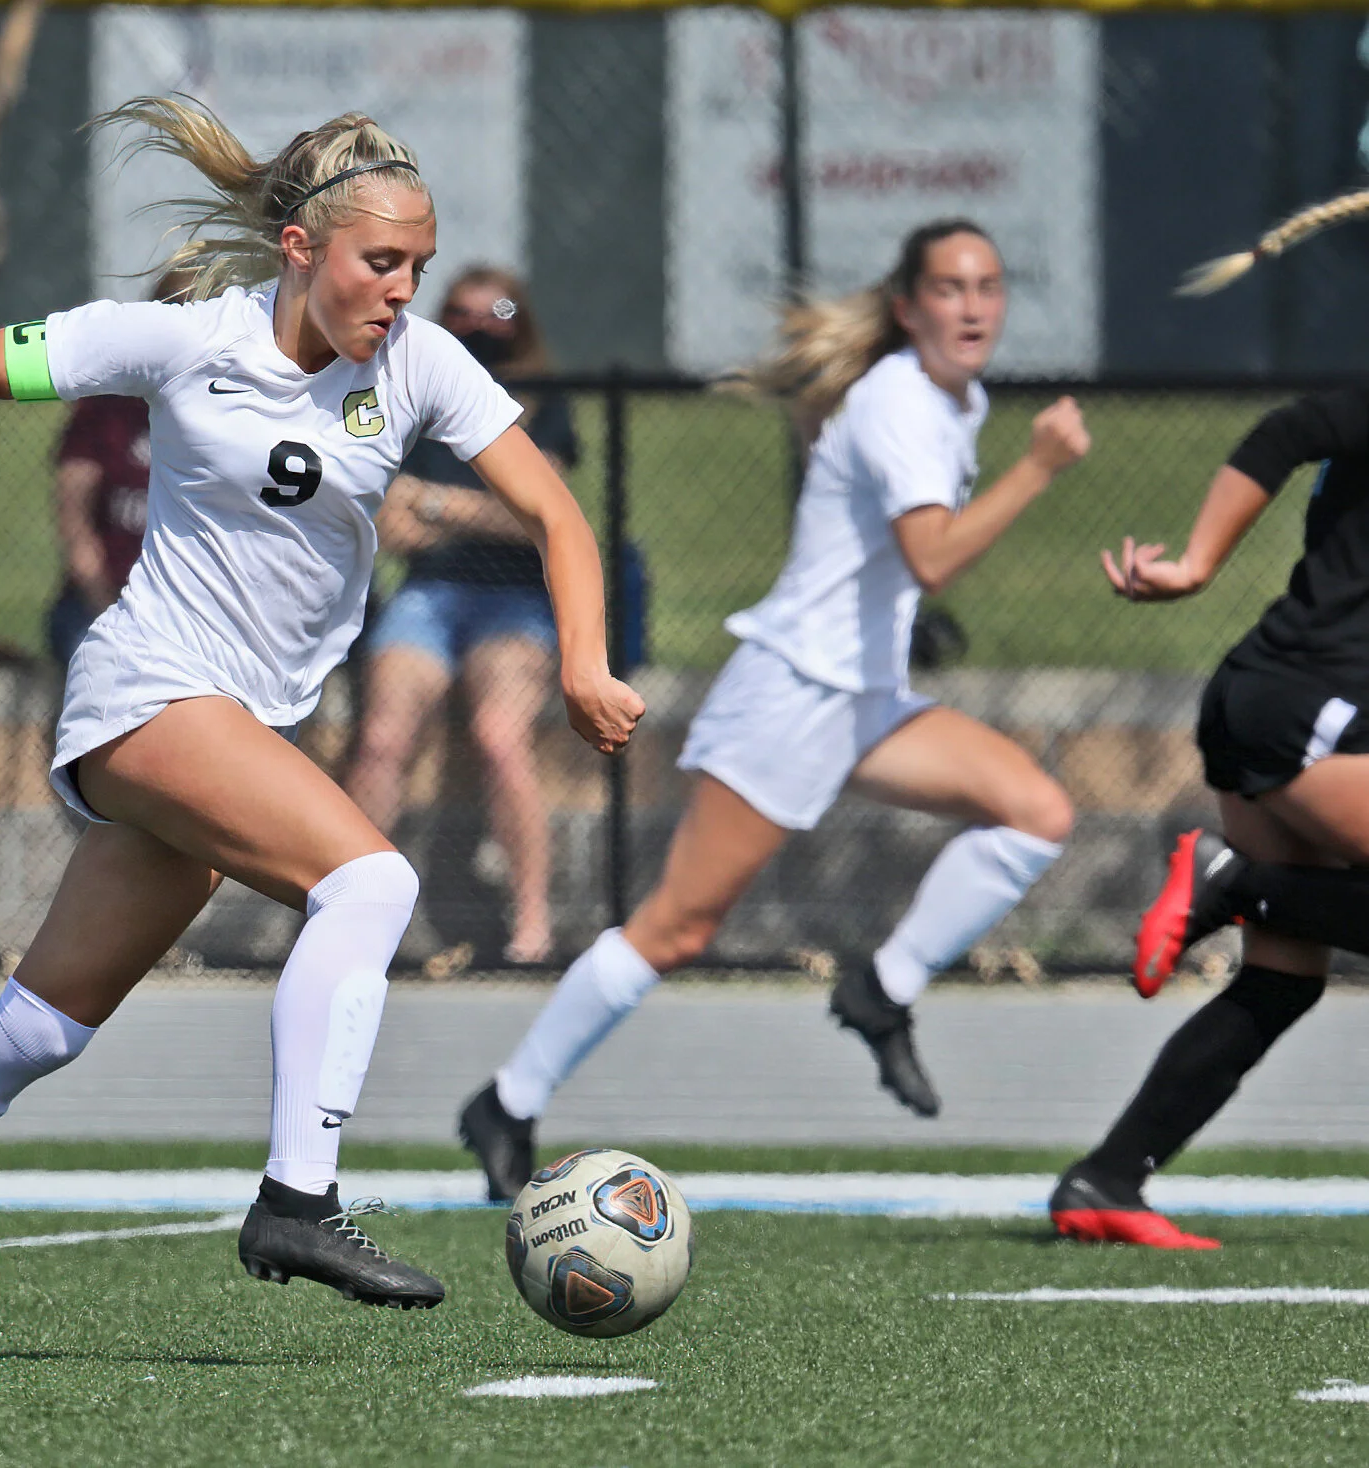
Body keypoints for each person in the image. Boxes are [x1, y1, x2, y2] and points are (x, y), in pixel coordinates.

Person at [0, 96, 644, 1355]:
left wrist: (585, 666)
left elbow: (558, 517)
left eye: (420, 267)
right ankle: (297, 1199)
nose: (402, 289)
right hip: (144, 693)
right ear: (302, 250)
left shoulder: (421, 364)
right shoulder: (184, 340)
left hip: (228, 731)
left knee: (38, 1032)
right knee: (370, 882)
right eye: (383, 262)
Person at [458, 219, 1092, 1202]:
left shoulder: (952, 398)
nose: (974, 306)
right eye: (951, 288)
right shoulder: (898, 401)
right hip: (792, 694)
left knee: (1038, 812)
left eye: (989, 287)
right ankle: (506, 1099)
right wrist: (1040, 465)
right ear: (907, 306)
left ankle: (881, 990)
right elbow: (931, 554)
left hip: (864, 697)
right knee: (675, 930)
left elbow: (885, 552)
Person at [1051, 189, 1369, 1249]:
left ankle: (1105, 1179)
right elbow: (1291, 430)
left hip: (1265, 702)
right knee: (1272, 926)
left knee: (1282, 983)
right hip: (1308, 712)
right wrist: (1194, 563)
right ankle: (1231, 884)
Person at [345, 267, 576, 965]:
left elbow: (542, 516)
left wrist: (440, 506)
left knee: (500, 736)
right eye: (461, 313)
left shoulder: (543, 399)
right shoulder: (410, 387)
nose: (480, 327)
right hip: (429, 594)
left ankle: (531, 927)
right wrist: (474, 515)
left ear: (524, 319)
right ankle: (344, 917)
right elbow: (393, 523)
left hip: (513, 599)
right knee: (383, 739)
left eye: (498, 311)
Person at [46, 269, 195, 668]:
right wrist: (112, 614)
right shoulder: (107, 409)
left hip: (200, 616)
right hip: (106, 601)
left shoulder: (232, 410)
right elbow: (76, 524)